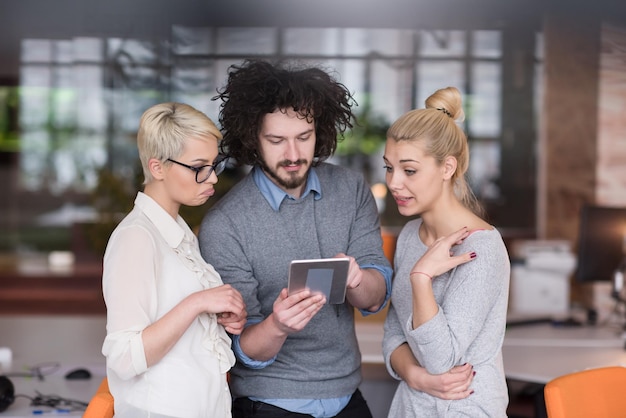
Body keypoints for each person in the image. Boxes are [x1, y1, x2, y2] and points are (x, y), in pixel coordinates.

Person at [198, 59, 473, 418]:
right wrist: (278, 325)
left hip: (346, 394)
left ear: (321, 132)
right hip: (269, 402)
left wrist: (357, 281)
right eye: (276, 140)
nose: (294, 155)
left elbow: (376, 296)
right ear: (253, 139)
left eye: (303, 138)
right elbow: (242, 348)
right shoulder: (225, 225)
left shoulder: (349, 189)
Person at [101, 102, 247, 418]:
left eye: (214, 165)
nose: (212, 179)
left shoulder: (178, 233)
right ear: (158, 168)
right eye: (199, 167)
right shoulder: (136, 238)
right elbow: (125, 357)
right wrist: (197, 303)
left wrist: (219, 320)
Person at [381, 86, 511, 417]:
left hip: (464, 410)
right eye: (389, 167)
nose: (394, 182)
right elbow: (395, 333)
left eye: (409, 170)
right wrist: (415, 375)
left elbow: (442, 360)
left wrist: (421, 279)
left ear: (447, 167)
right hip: (410, 406)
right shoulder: (411, 235)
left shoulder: (483, 248)